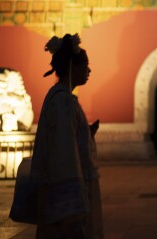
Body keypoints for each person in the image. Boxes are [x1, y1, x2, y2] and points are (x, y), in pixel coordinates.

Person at [30, 33, 104, 238]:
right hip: (66, 202)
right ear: (73, 66)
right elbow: (65, 155)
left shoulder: (58, 97)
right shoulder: (64, 102)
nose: (89, 70)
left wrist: (87, 134)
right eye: (85, 65)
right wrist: (71, 206)